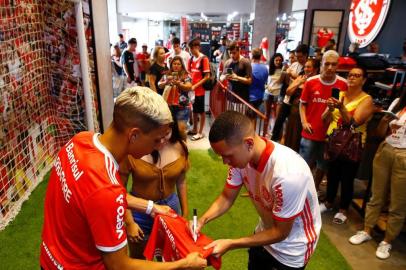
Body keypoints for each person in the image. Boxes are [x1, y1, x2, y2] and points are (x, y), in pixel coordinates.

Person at [40, 87, 207, 269]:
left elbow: (90, 195)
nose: (159, 146)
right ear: (134, 135)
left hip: (50, 259)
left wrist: (151, 207)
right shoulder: (106, 188)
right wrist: (183, 264)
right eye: (156, 140)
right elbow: (119, 265)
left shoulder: (79, 141)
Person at [192, 111, 321, 270]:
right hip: (263, 234)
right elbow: (227, 197)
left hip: (291, 250)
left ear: (249, 143)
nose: (225, 162)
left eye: (228, 156)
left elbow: (281, 232)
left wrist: (231, 243)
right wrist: (202, 220)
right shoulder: (240, 160)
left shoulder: (288, 174)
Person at [120, 109, 190, 259]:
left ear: (172, 128)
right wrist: (129, 222)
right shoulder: (133, 149)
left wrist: (185, 214)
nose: (162, 141)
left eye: (166, 134)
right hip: (139, 211)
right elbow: (119, 190)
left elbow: (181, 181)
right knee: (140, 260)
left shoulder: (181, 147)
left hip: (170, 209)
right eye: (157, 137)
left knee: (171, 258)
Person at [349, 91, 406, 260]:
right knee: (376, 195)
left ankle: (387, 241)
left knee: (398, 203)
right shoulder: (398, 102)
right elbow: (381, 133)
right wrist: (385, 122)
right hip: (386, 148)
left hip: (404, 155)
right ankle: (367, 230)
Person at [320, 67, 374, 223]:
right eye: (350, 75)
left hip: (352, 144)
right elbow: (324, 119)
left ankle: (343, 209)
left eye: (357, 75)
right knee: (332, 174)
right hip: (333, 141)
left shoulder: (367, 100)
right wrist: (329, 109)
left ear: (363, 80)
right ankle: (329, 202)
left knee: (347, 178)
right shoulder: (339, 94)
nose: (352, 78)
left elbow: (354, 123)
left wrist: (341, 107)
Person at [299, 50, 348, 193]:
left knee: (323, 165)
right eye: (327, 64)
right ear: (321, 64)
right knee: (303, 164)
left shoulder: (343, 84)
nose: (330, 68)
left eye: (334, 64)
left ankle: (313, 189)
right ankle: (300, 189)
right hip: (310, 132)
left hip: (330, 135)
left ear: (338, 65)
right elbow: (303, 103)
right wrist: (304, 121)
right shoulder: (310, 82)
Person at [284, 58, 319, 152]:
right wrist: (298, 83)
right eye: (305, 67)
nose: (306, 69)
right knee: (292, 136)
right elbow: (288, 92)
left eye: (309, 67)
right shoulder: (300, 77)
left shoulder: (317, 81)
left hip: (308, 114)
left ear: (315, 69)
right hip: (294, 112)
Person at [159, 56, 193, 126]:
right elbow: (159, 84)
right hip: (168, 106)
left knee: (181, 129)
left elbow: (189, 87)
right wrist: (166, 82)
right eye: (174, 64)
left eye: (178, 64)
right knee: (170, 128)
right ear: (171, 65)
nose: (176, 66)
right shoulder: (167, 74)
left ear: (182, 65)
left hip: (182, 105)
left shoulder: (186, 75)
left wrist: (179, 84)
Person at [187, 38, 210, 141]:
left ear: (196, 48)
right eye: (190, 49)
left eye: (191, 48)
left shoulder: (204, 59)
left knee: (201, 111)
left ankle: (200, 132)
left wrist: (196, 86)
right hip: (192, 91)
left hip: (199, 91)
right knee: (194, 110)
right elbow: (188, 73)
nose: (190, 51)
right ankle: (195, 129)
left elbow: (207, 76)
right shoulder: (191, 59)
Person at [263, 53, 284, 136]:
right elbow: (265, 81)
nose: (278, 62)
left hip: (277, 94)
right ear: (273, 60)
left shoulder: (283, 69)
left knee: (276, 115)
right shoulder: (269, 69)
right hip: (268, 93)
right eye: (276, 60)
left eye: (280, 60)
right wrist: (266, 87)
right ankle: (265, 131)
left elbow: (282, 82)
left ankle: (274, 133)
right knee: (266, 113)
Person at [247, 48, 268, 121]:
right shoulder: (265, 68)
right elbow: (265, 81)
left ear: (252, 56)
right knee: (254, 118)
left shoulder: (249, 67)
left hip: (249, 96)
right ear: (260, 56)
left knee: (248, 119)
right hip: (260, 97)